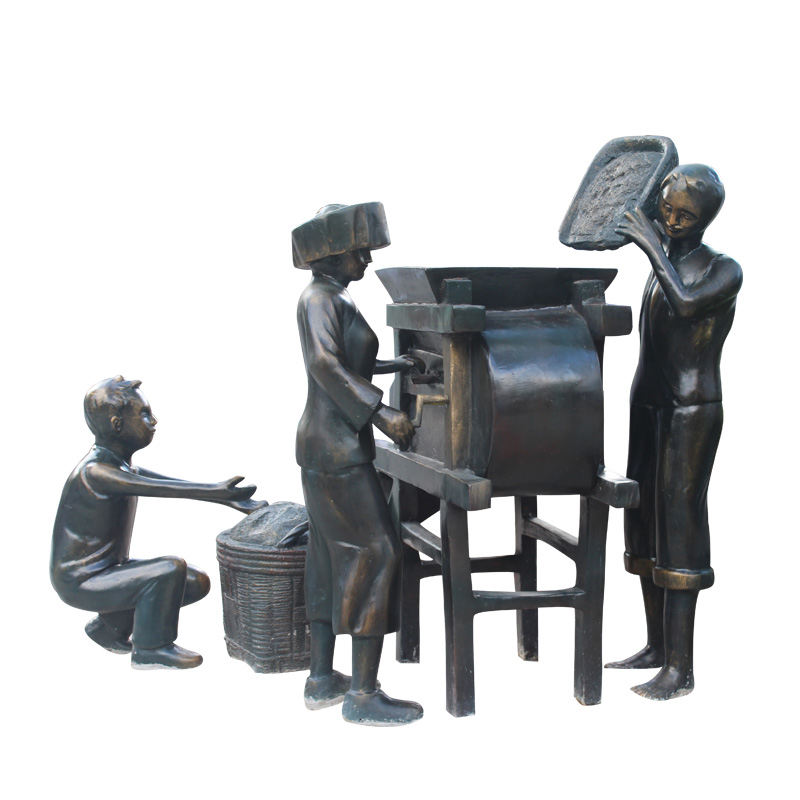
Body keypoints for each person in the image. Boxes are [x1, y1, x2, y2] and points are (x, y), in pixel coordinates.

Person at [606, 165, 743, 699]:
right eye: (666, 210)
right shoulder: (664, 260)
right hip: (648, 402)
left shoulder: (723, 270)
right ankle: (656, 645)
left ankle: (680, 668)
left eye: (685, 215)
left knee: (680, 521)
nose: (671, 220)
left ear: (707, 218)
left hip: (691, 409)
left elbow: (685, 304)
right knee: (643, 519)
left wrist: (649, 246)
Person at [293, 202, 424, 726]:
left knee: (328, 557)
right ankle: (363, 694)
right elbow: (324, 365)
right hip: (337, 448)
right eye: (359, 251)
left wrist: (398, 364)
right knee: (379, 551)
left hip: (328, 446)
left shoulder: (333, 296)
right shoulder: (319, 299)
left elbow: (348, 361)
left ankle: (322, 678)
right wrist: (382, 413)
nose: (367, 259)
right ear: (332, 253)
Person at [51, 376, 264, 669]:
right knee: (169, 569)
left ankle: (109, 628)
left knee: (193, 582)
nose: (153, 421)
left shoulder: (120, 467)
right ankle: (151, 648)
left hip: (107, 572)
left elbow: (172, 484)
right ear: (117, 425)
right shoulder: (96, 472)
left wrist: (223, 496)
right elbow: (163, 489)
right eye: (144, 415)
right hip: (80, 581)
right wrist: (217, 492)